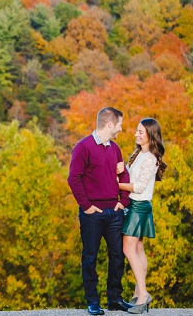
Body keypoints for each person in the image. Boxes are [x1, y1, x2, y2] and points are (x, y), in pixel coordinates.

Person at [68, 106, 134, 315]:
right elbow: (74, 178)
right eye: (120, 124)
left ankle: (114, 299)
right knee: (90, 257)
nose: (121, 129)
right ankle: (93, 302)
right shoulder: (83, 147)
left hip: (114, 212)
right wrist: (86, 206)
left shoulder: (115, 148)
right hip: (92, 214)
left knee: (117, 256)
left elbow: (124, 176)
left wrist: (123, 202)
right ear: (110, 124)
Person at [117, 118, 167, 314]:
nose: (136, 134)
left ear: (150, 135)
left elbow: (138, 187)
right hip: (136, 206)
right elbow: (131, 178)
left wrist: (116, 185)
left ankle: (144, 295)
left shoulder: (151, 158)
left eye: (140, 132)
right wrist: (120, 172)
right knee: (138, 249)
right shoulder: (139, 154)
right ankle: (139, 293)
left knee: (128, 249)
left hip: (139, 207)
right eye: (136, 131)